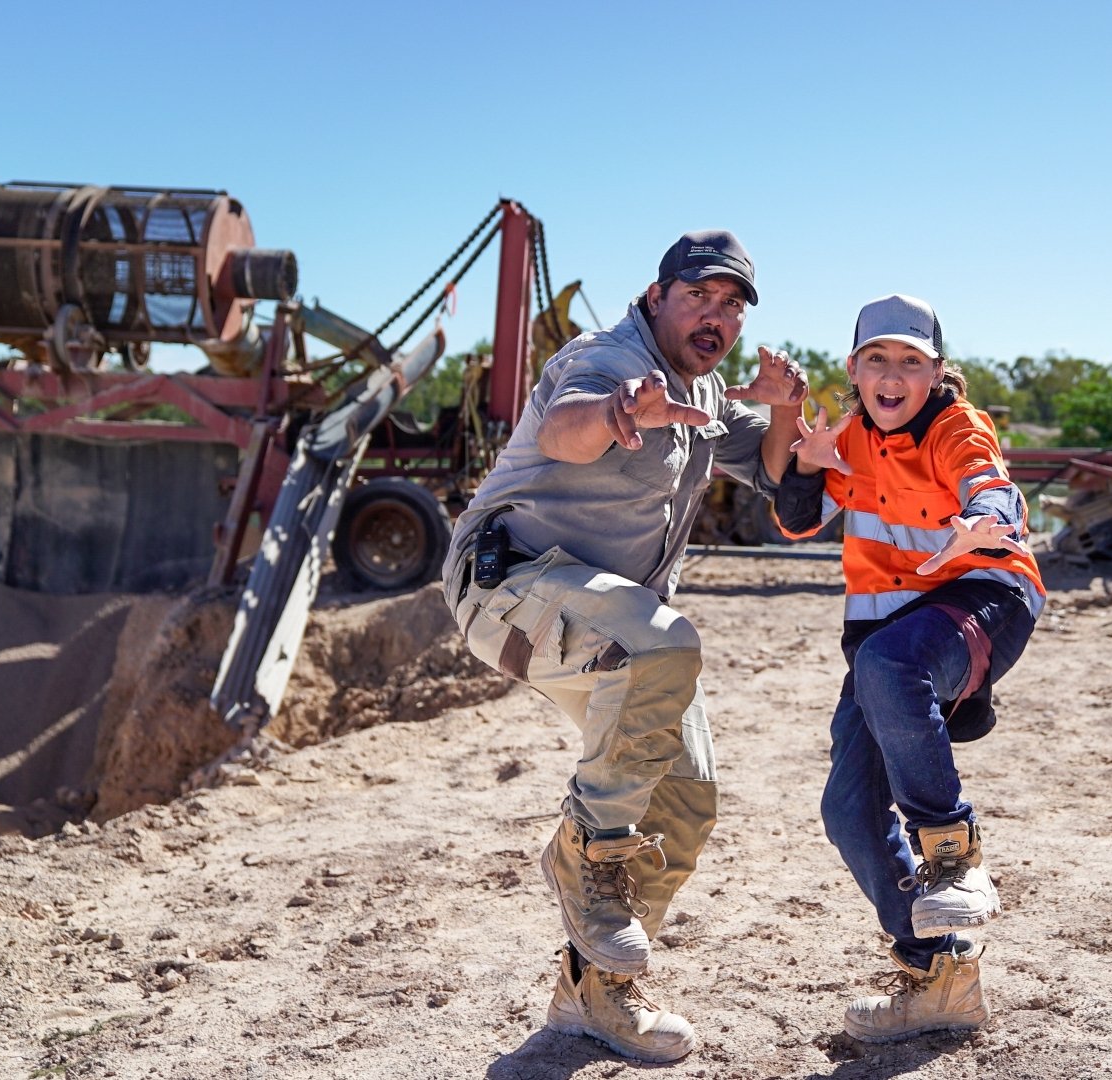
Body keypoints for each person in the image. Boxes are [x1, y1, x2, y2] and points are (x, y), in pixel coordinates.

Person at [441, 230, 806, 1063]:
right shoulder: (607, 360)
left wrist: (785, 406)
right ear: (656, 296)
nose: (715, 317)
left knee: (686, 800)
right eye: (698, 297)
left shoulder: (706, 393)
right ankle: (585, 853)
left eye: (732, 305)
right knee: (668, 645)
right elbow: (570, 428)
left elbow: (781, 470)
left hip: (605, 622)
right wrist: (617, 414)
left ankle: (593, 992)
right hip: (506, 586)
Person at [774, 294, 1045, 1042]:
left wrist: (985, 513)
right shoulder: (851, 436)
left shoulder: (956, 427)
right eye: (877, 360)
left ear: (935, 372)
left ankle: (952, 851)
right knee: (850, 812)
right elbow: (798, 521)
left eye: (911, 362)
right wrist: (805, 460)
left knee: (892, 663)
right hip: (884, 637)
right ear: (855, 370)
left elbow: (986, 479)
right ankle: (939, 974)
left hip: (982, 596)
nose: (892, 376)